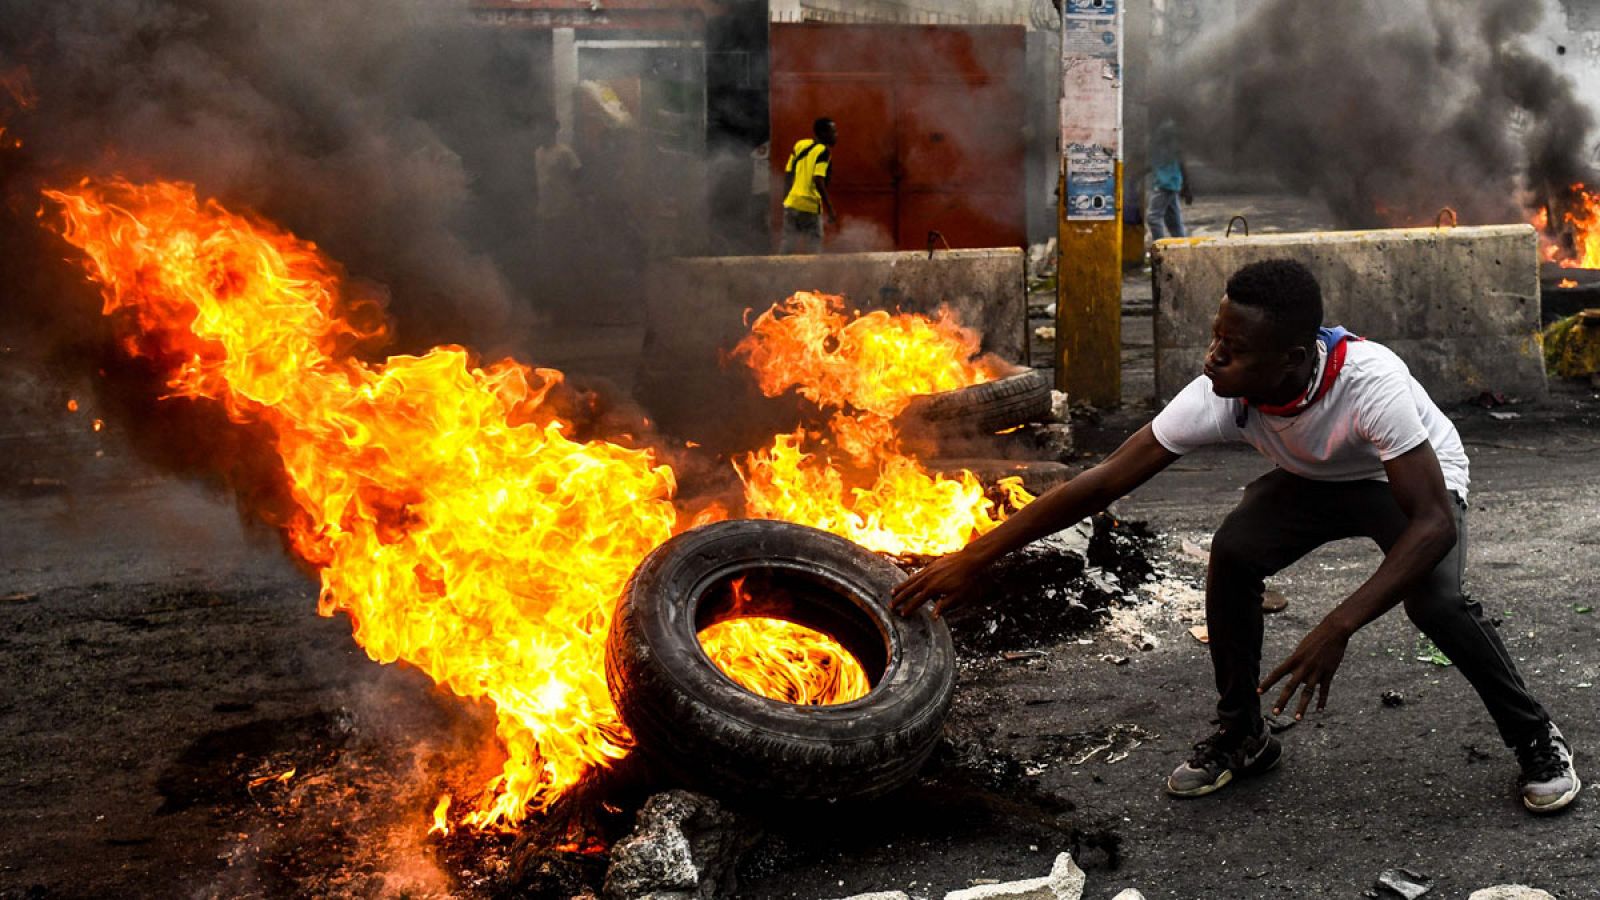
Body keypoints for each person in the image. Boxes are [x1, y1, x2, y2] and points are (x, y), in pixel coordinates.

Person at [892, 259, 1580, 814]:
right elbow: (1101, 482)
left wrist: (1336, 624)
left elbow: (1430, 524)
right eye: (1216, 337)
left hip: (1408, 484)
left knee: (1434, 602)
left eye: (1234, 348)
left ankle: (1535, 737)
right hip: (1312, 478)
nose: (1214, 357)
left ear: (1290, 359)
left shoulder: (1372, 385)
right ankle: (1242, 734)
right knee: (1236, 551)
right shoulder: (1220, 392)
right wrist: (972, 558)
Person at [778, 117, 838, 254]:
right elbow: (818, 180)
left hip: (792, 203)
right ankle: (813, 274)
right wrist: (830, 208)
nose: (836, 135)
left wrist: (786, 200)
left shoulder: (800, 145)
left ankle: (779, 273)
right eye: (833, 132)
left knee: (788, 244)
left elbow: (788, 173)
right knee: (814, 246)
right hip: (810, 206)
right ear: (823, 133)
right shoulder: (824, 152)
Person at [1146, 117, 1192, 241]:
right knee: (1174, 223)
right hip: (1170, 182)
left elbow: (1180, 159)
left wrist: (1187, 186)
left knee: (1153, 218)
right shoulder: (1163, 133)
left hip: (1165, 183)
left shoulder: (1166, 130)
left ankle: (1160, 250)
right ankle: (1182, 250)